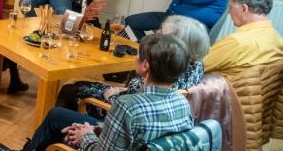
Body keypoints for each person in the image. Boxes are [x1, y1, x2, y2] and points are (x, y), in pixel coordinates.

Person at [0, 33, 195, 151]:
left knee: (66, 132)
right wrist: (95, 129)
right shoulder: (183, 104)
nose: (135, 56)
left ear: (145, 65)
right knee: (59, 115)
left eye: (138, 54)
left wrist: (85, 136)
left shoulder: (127, 106)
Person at [58, 14, 209, 114]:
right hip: (136, 103)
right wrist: (123, 89)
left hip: (119, 112)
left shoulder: (162, 67)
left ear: (176, 43)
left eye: (161, 32)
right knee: (77, 84)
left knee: (70, 89)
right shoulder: (196, 65)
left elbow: (133, 107)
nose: (157, 33)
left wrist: (110, 96)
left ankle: (65, 138)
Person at [204, 0, 283, 75]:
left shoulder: (236, 42)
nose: (228, 12)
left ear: (244, 9)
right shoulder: (279, 40)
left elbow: (197, 67)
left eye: (230, 7)